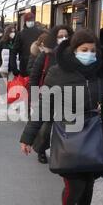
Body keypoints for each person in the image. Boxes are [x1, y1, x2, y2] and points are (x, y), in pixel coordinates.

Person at [20, 29, 103, 205]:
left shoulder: (102, 71)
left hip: (94, 136)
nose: (89, 54)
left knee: (88, 184)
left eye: (93, 50)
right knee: (75, 185)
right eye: (84, 50)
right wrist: (28, 137)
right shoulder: (58, 72)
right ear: (74, 50)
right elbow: (43, 108)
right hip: (68, 136)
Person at [28, 25, 74, 164]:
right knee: (45, 128)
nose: (63, 39)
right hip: (47, 97)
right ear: (54, 38)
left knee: (66, 127)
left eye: (66, 36)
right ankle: (41, 150)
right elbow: (34, 76)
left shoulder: (74, 55)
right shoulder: (46, 55)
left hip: (67, 99)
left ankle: (62, 152)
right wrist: (34, 98)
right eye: (60, 36)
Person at [9, 12, 43, 77]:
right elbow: (14, 52)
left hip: (36, 65)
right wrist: (14, 68)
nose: (30, 22)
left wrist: (14, 69)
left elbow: (13, 52)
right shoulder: (20, 34)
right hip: (26, 66)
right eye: (28, 20)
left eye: (32, 20)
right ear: (25, 21)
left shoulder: (40, 33)